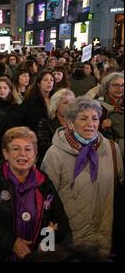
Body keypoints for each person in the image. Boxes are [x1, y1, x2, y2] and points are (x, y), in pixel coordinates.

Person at [0, 127, 71, 262]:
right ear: (6, 154)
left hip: (34, 258)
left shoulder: (44, 183)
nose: (22, 154)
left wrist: (46, 244)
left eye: (28, 149)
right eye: (15, 149)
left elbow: (60, 220)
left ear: (35, 154)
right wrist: (11, 243)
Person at [41, 97, 123, 259]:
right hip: (68, 240)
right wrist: (47, 247)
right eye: (83, 118)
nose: (90, 124)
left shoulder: (112, 149)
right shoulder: (55, 154)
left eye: (95, 118)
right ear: (71, 123)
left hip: (103, 235)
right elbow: (45, 204)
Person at [36, 89, 75, 165]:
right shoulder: (45, 123)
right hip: (52, 162)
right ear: (56, 106)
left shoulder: (77, 123)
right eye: (65, 103)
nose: (70, 106)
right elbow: (45, 147)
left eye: (72, 103)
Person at [96, 72, 124, 157]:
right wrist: (101, 127)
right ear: (107, 87)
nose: (120, 88)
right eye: (116, 85)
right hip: (107, 150)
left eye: (123, 85)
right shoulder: (97, 104)